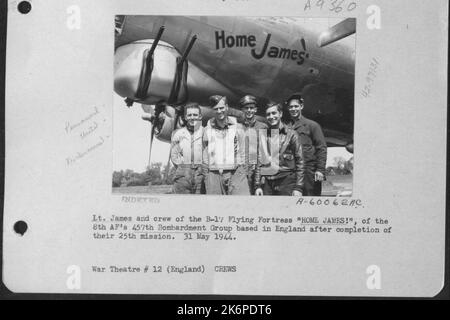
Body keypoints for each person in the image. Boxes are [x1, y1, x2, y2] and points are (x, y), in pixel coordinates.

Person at [202, 95, 250, 195]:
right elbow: (205, 155)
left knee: (242, 204)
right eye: (216, 109)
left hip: (236, 172)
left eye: (221, 108)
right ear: (212, 110)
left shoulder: (238, 127)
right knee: (216, 207)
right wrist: (207, 177)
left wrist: (243, 172)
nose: (219, 111)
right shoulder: (207, 130)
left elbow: (244, 151)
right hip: (215, 173)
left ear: (227, 107)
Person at [255, 102, 304, 196]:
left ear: (280, 114)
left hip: (286, 182)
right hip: (268, 184)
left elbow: (300, 161)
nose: (271, 116)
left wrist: (299, 187)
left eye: (274, 113)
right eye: (268, 114)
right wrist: (257, 186)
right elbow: (259, 162)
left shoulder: (291, 134)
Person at [285, 93, 327, 196]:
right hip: (292, 171)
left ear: (301, 107)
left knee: (310, 199)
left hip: (309, 171)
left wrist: (320, 170)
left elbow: (321, 148)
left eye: (296, 106)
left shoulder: (312, 125)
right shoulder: (286, 128)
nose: (293, 109)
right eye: (291, 107)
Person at [170, 103, 205, 194]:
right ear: (185, 117)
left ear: (200, 116)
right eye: (189, 115)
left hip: (201, 175)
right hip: (183, 175)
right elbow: (174, 155)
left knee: (201, 204)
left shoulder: (206, 132)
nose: (192, 117)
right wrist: (183, 167)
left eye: (195, 115)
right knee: (181, 205)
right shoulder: (177, 133)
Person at [238, 95, 268, 194]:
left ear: (255, 110)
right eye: (246, 108)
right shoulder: (238, 127)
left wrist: (263, 173)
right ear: (242, 109)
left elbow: (265, 153)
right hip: (242, 170)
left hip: (257, 171)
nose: (249, 110)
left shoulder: (263, 127)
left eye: (251, 108)